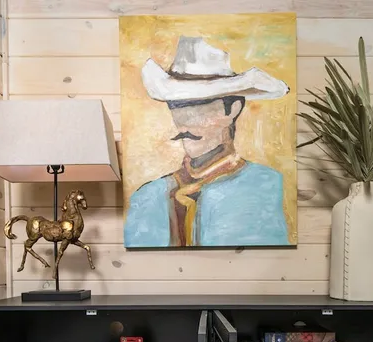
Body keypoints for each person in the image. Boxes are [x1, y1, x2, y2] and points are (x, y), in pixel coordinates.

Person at [124, 36, 291, 247]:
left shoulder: (265, 186)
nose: (184, 121)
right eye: (176, 106)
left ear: (233, 110)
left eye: (198, 105)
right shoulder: (146, 198)